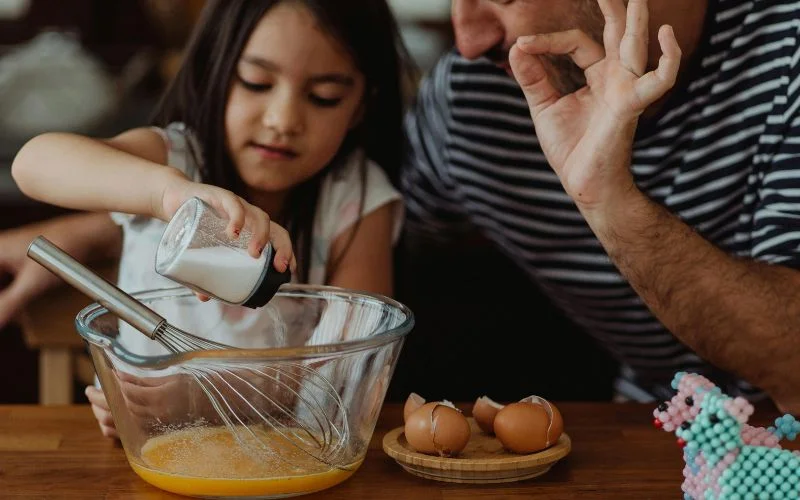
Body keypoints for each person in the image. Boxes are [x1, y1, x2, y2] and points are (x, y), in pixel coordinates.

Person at [10, 0, 410, 436]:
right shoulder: (176, 161)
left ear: (359, 106)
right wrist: (167, 194)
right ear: (214, 71)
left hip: (282, 455)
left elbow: (350, 371)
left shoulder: (357, 200)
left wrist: (203, 396)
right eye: (256, 83)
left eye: (323, 97)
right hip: (159, 456)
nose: (282, 120)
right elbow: (33, 163)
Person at [402, 0, 800, 412]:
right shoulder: (471, 97)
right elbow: (390, 268)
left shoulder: (788, 47)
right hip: (647, 434)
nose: (468, 41)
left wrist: (610, 201)